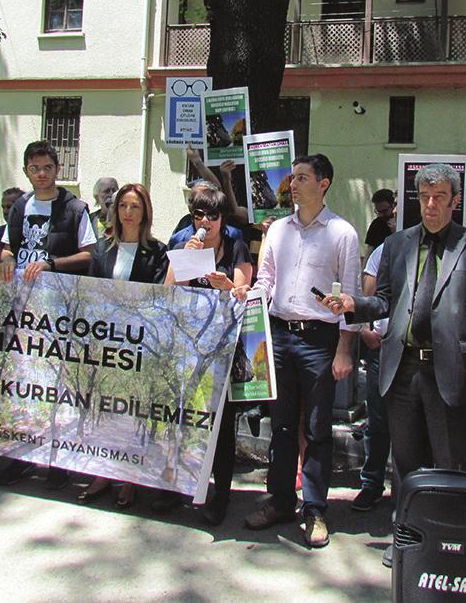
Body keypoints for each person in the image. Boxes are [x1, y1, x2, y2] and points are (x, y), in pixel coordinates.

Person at [329, 162, 466, 566]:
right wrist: (355, 306)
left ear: (455, 201)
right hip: (402, 369)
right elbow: (385, 299)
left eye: (439, 197)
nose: (431, 205)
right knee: (405, 463)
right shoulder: (399, 244)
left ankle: (455, 541)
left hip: (450, 370)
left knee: (452, 462)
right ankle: (407, 536)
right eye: (424, 198)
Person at [241, 154, 360, 549]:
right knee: (282, 426)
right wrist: (248, 300)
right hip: (278, 337)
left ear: (324, 183)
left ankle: (314, 509)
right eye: (292, 177)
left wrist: (344, 349)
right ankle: (279, 500)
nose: (293, 184)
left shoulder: (342, 233)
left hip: (319, 342)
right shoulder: (277, 231)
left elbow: (351, 295)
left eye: (302, 177)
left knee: (317, 427)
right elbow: (266, 280)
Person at [0, 140, 97, 488]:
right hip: (23, 309)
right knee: (23, 385)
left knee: (57, 387)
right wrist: (8, 259)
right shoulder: (20, 206)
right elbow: (8, 246)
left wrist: (52, 264)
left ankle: (58, 461)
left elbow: (89, 254)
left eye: (47, 167)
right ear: (26, 171)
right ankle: (21, 455)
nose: (41, 174)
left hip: (60, 312)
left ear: (58, 169)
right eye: (34, 168)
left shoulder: (75, 208)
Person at [164, 187, 252, 525]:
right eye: (199, 215)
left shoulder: (236, 242)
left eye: (212, 216)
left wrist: (226, 285)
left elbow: (244, 292)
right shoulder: (183, 240)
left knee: (221, 425)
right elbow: (169, 291)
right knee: (185, 417)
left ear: (222, 219)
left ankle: (221, 493)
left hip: (224, 348)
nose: (205, 222)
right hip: (188, 345)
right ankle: (178, 486)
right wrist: (184, 261)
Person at [78, 183, 169, 509]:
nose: (129, 212)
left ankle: (129, 478)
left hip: (138, 345)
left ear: (145, 213)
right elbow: (90, 291)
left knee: (131, 411)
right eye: (123, 206)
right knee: (102, 408)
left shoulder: (157, 252)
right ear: (115, 211)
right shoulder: (102, 248)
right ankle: (103, 472)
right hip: (104, 342)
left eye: (135, 207)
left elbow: (159, 296)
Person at [351, 241, 391, 512]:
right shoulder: (384, 249)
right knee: (378, 421)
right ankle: (372, 484)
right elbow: (368, 291)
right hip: (382, 347)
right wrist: (364, 329)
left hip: (416, 351)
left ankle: (411, 490)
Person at [364, 188, 396, 258]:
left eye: (384, 211)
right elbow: (370, 249)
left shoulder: (401, 222)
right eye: (378, 211)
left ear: (393, 205)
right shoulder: (376, 224)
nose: (381, 215)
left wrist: (395, 231)